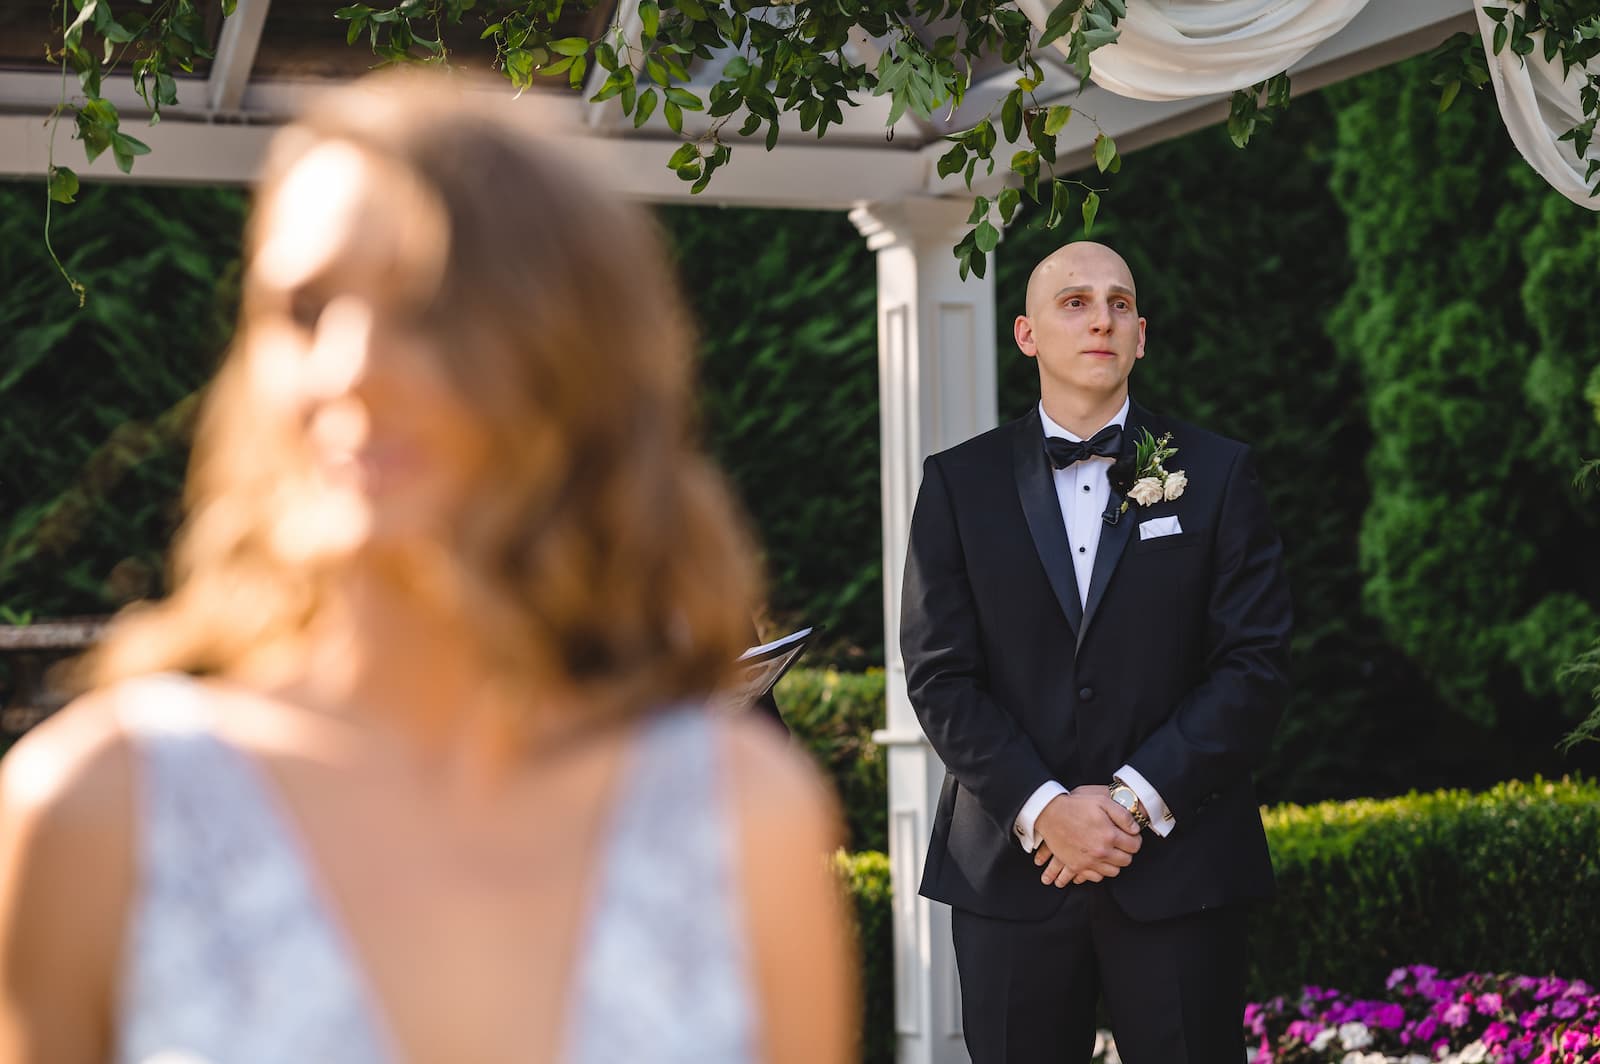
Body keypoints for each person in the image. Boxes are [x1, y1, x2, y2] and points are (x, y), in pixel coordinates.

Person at [0, 72, 854, 1064]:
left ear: (569, 360)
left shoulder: (744, 817)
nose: (351, 364)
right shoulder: (95, 807)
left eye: (426, 303)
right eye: (303, 307)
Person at [900, 241, 1292, 1064]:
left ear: (1142, 335)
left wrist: (1130, 802)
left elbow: (1252, 665)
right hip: (1013, 872)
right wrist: (1045, 808)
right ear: (1027, 334)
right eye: (1075, 302)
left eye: (1119, 304)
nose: (1101, 319)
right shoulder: (957, 485)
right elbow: (941, 675)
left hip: (1182, 869)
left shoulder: (1218, 475)